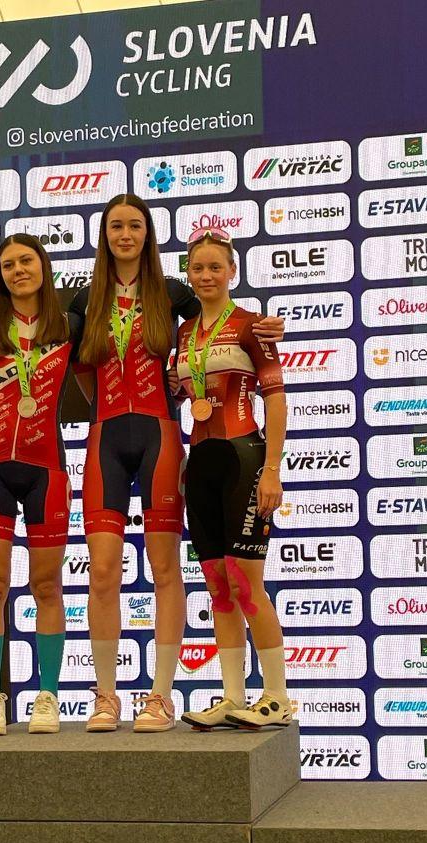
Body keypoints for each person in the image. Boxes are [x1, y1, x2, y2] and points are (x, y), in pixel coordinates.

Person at [0, 196, 284, 733]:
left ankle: (160, 695)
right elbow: (44, 352)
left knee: (165, 570)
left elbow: (216, 318)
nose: (125, 234)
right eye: (116, 226)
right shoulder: (82, 301)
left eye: (135, 225)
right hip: (104, 439)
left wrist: (265, 328)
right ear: (104, 235)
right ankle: (105, 696)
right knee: (104, 571)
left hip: (161, 436)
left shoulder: (173, 292)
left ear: (147, 233)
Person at [174, 226, 293, 730]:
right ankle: (232, 696)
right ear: (188, 273)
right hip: (200, 462)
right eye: (197, 267)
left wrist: (273, 470)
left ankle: (278, 697)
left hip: (245, 458)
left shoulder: (251, 326)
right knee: (218, 585)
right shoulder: (183, 334)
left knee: (246, 583)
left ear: (232, 272)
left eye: (215, 267)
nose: (206, 275)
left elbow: (276, 400)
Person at [0, 234, 78, 737]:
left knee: (46, 585)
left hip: (47, 468)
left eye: (26, 260)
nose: (17, 270)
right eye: (8, 265)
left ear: (43, 266)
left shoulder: (69, 326)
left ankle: (48, 695)